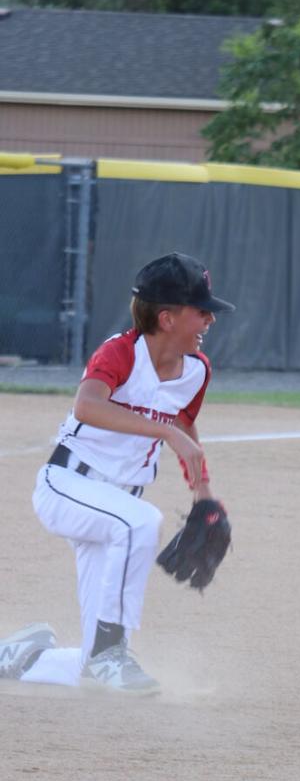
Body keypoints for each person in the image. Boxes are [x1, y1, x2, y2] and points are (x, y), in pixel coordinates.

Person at [0, 253, 235, 697]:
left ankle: (19, 657)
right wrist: (166, 431)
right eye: (200, 310)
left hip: (114, 501)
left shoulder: (196, 371)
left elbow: (184, 425)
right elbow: (87, 405)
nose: (209, 319)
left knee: (90, 662)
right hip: (68, 486)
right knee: (140, 521)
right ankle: (113, 650)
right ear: (166, 317)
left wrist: (204, 495)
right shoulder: (122, 352)